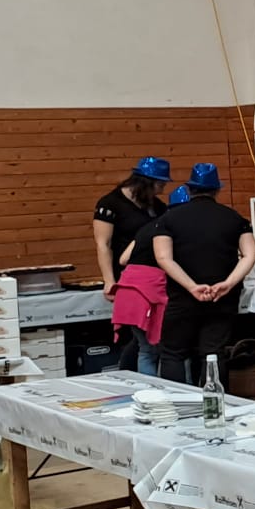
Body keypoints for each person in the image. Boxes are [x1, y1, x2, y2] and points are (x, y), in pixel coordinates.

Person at [152, 164, 255, 385]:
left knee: (173, 352)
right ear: (216, 190)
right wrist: (228, 283)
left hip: (182, 297)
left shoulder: (168, 220)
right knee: (213, 352)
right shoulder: (234, 218)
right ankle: (216, 401)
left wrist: (191, 286)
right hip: (222, 298)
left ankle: (176, 401)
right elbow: (251, 255)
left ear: (190, 189)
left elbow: (163, 258)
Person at [94, 157, 169, 374]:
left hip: (153, 279)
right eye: (160, 185)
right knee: (141, 340)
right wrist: (109, 280)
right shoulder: (110, 204)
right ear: (146, 183)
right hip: (128, 277)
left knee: (145, 339)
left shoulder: (156, 206)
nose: (162, 190)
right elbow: (103, 244)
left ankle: (131, 374)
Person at [111, 184, 187, 376]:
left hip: (126, 291)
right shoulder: (176, 229)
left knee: (145, 349)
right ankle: (177, 389)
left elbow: (123, 259)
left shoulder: (148, 227)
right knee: (171, 351)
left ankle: (148, 391)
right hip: (148, 294)